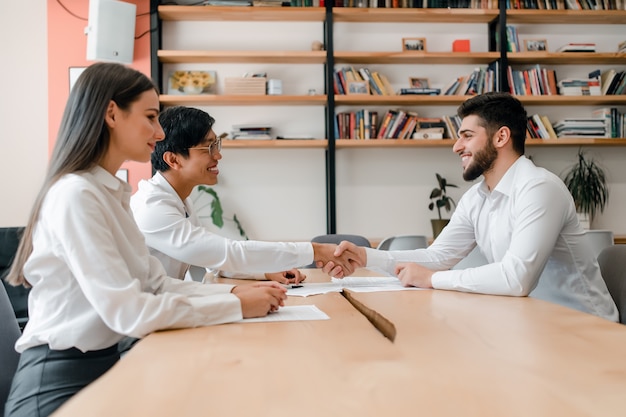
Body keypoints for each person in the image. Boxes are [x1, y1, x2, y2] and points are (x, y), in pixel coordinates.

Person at [2, 63, 291, 417]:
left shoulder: (110, 192)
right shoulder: (76, 196)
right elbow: (130, 311)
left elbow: (155, 284)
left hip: (104, 368)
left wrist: (233, 294)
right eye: (151, 117)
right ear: (112, 113)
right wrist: (236, 306)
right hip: (60, 385)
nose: (158, 132)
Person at [329, 92, 618, 322]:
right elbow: (438, 256)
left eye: (467, 135)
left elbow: (517, 279)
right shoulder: (477, 196)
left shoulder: (539, 188)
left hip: (583, 327)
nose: (456, 146)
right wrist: (366, 257)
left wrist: (432, 279)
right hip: (529, 322)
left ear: (501, 137)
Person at [130, 106, 358, 285]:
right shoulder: (154, 208)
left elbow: (213, 259)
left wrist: (266, 273)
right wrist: (315, 250)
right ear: (174, 159)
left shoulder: (178, 199)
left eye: (216, 145)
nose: (218, 155)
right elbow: (226, 253)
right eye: (208, 147)